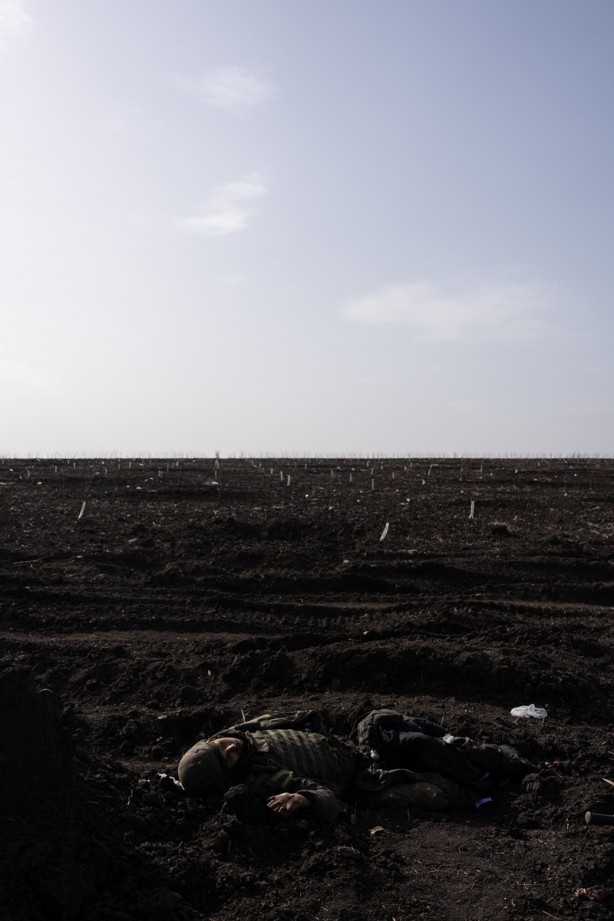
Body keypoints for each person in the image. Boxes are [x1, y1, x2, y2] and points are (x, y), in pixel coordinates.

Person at [177, 709, 533, 823]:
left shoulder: (251, 728)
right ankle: (485, 783)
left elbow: (306, 720)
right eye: (229, 758)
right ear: (231, 774)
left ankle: (483, 760)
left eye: (221, 744)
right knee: (437, 792)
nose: (231, 746)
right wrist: (305, 801)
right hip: (363, 781)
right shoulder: (263, 778)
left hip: (352, 749)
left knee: (390, 725)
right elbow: (325, 795)